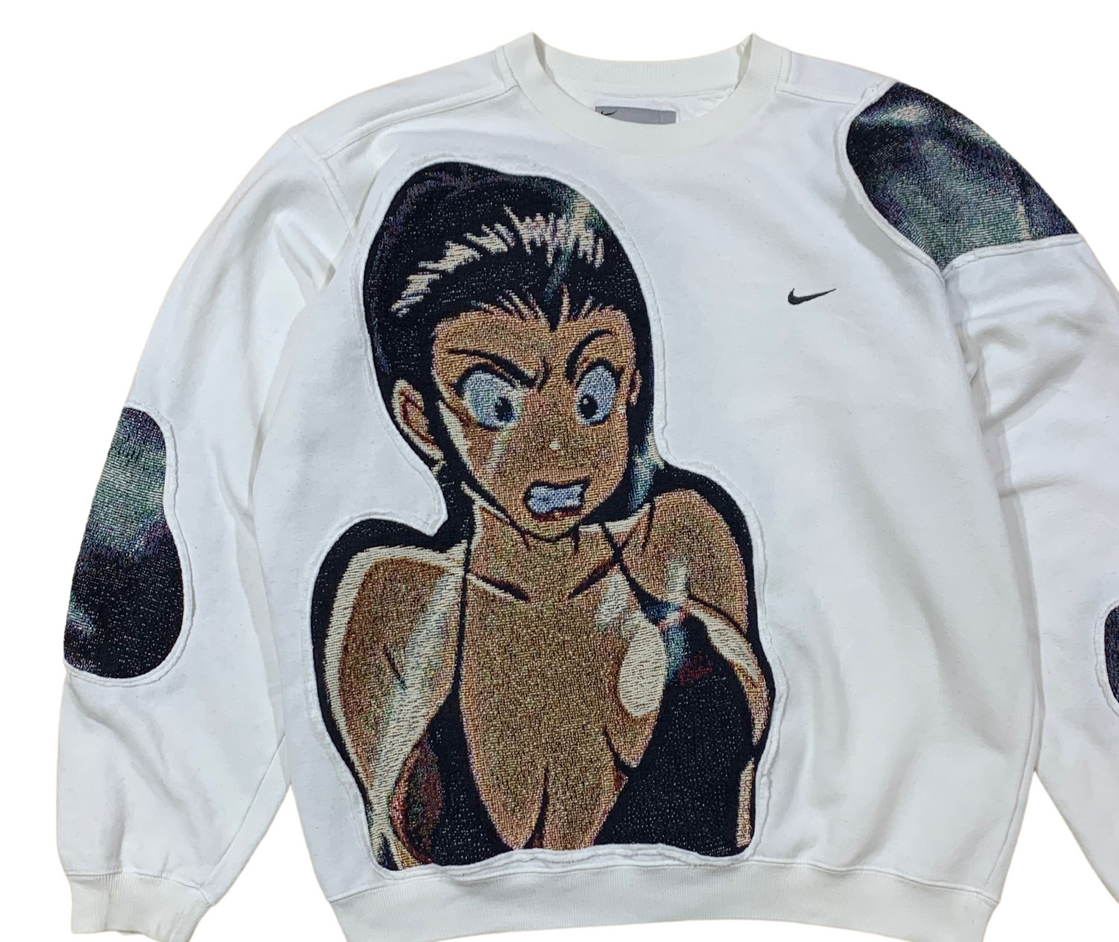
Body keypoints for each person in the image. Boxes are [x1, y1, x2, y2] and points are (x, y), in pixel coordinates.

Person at [311, 163, 775, 868]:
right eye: (497, 404)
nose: (558, 448)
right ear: (422, 419)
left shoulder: (678, 543)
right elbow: (398, 867)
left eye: (592, 393)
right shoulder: (397, 603)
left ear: (631, 384)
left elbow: (739, 801)